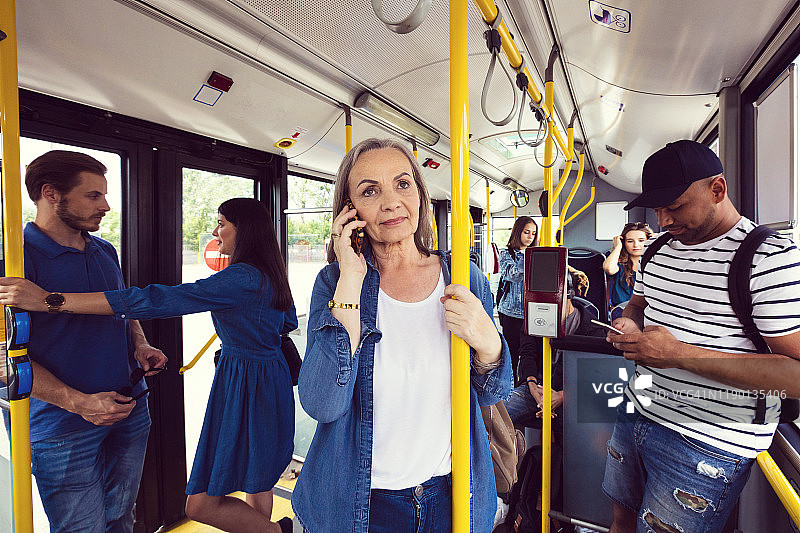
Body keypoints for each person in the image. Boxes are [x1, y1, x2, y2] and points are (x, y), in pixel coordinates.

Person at [0, 197, 297, 533]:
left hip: (245, 381)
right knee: (258, 476)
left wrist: (49, 300)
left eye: (222, 223)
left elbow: (158, 299)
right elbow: (286, 323)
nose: (216, 232)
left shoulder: (240, 277)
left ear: (244, 231)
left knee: (202, 503)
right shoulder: (273, 273)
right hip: (271, 377)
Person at [291, 138, 512, 533]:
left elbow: (493, 393)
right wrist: (350, 281)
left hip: (450, 496)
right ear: (350, 211)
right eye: (370, 191)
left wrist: (489, 343)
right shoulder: (334, 283)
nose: (391, 201)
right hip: (361, 502)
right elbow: (323, 403)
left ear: (422, 197)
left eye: (403, 184)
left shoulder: (464, 278)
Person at [604, 140, 800, 533]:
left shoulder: (769, 258)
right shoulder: (659, 249)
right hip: (637, 412)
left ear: (718, 190)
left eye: (674, 207)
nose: (662, 221)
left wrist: (677, 354)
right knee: (620, 521)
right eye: (657, 210)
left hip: (708, 445)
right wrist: (629, 324)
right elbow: (638, 305)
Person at [7, 150, 167, 533]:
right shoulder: (15, 260)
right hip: (61, 424)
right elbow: (3, 356)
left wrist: (139, 344)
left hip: (128, 405)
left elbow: (120, 307)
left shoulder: (103, 249)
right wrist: (78, 402)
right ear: (51, 194)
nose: (107, 206)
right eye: (93, 196)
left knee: (120, 518)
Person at [497, 216, 539, 386]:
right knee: (512, 353)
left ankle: (528, 384)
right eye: (526, 232)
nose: (530, 237)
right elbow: (512, 274)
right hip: (511, 312)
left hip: (531, 311)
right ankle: (510, 386)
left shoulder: (537, 254)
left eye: (533, 233)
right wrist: (528, 258)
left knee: (530, 352)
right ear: (518, 232)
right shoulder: (506, 253)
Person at [602, 222, 652, 309]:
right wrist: (617, 247)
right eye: (630, 241)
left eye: (641, 240)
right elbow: (608, 269)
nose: (636, 245)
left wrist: (657, 242)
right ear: (623, 242)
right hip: (622, 310)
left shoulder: (655, 263)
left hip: (648, 311)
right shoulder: (619, 264)